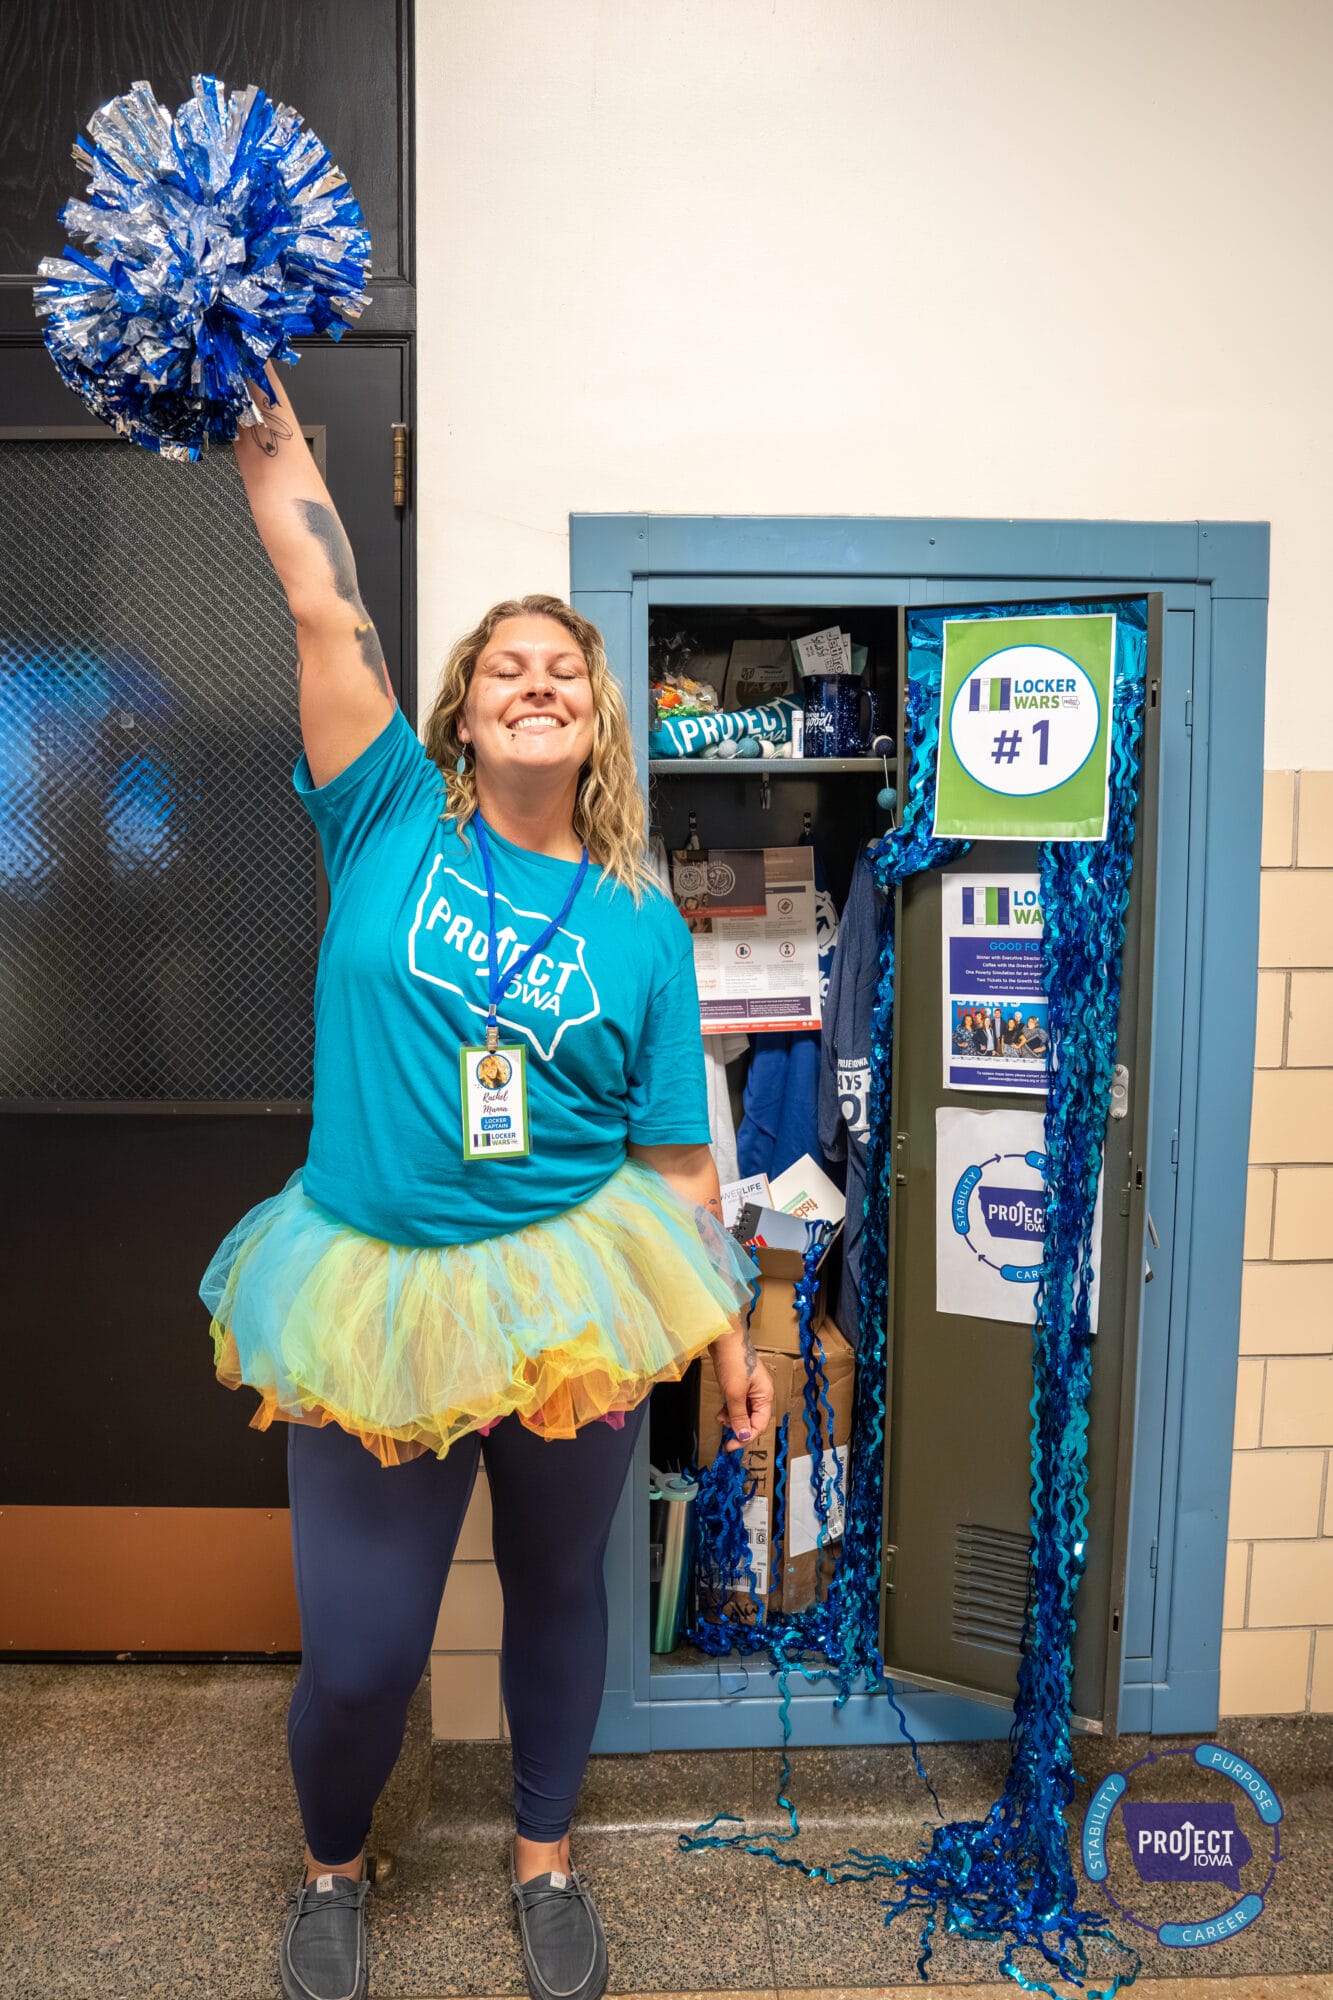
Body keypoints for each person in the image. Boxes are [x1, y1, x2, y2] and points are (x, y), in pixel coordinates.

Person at [199, 364, 773, 2000]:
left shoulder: (640, 923)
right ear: (458, 710)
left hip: (566, 1285)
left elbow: (672, 1157)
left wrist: (731, 1341)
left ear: (591, 718)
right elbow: (323, 602)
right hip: (371, 1286)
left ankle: (544, 1861)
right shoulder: (384, 813)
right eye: (505, 668)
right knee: (365, 1653)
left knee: (553, 1597)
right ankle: (331, 1864)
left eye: (564, 672)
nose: (535, 685)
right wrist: (260, 408)